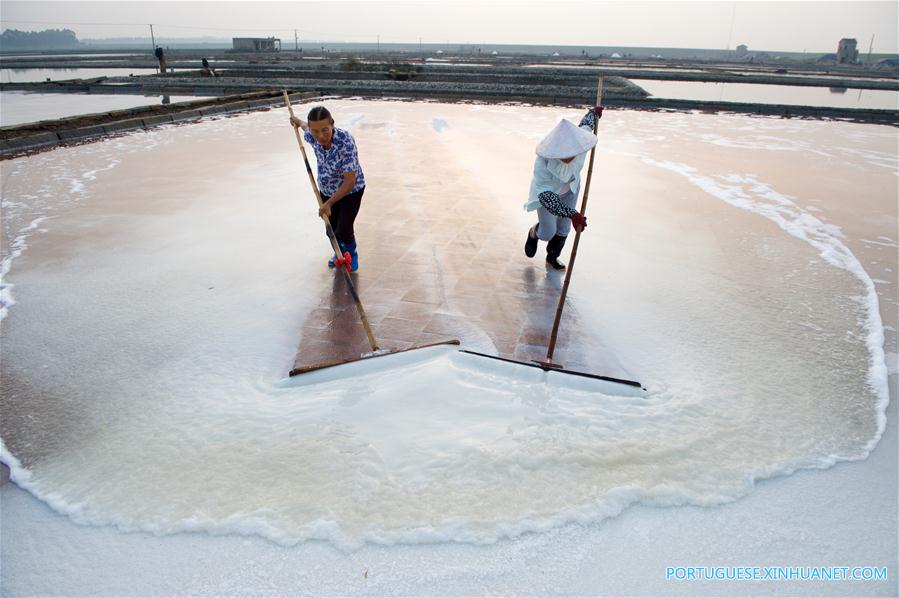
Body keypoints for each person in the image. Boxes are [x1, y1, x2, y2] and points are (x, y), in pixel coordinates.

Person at [523, 107, 602, 270]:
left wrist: (593, 114)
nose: (568, 157)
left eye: (571, 153)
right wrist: (572, 214)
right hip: (547, 195)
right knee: (548, 232)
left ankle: (552, 257)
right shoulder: (542, 163)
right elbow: (546, 197)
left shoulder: (579, 149)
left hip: (570, 190)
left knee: (564, 228)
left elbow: (585, 127)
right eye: (563, 154)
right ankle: (533, 232)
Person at [290, 106, 366, 272]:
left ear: (332, 124)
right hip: (326, 190)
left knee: (343, 229)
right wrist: (296, 121)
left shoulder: (345, 141)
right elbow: (305, 126)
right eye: (315, 131)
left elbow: (350, 181)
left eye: (325, 130)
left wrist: (329, 204)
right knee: (330, 229)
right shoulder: (312, 135)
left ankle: (351, 254)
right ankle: (339, 253)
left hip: (350, 191)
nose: (321, 136)